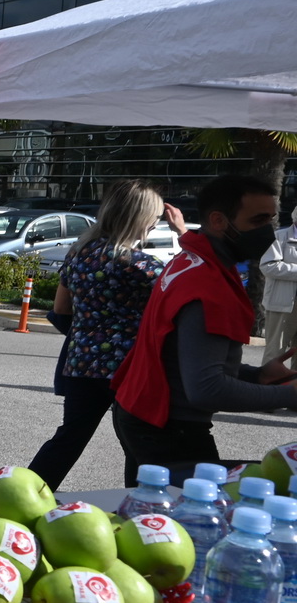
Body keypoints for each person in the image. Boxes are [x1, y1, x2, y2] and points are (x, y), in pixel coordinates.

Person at [112, 174, 297, 484]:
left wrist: (258, 376)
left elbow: (188, 357)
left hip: (142, 411)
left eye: (271, 219)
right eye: (258, 219)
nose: (267, 230)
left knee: (147, 512)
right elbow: (206, 388)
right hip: (168, 426)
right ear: (218, 220)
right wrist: (287, 396)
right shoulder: (208, 285)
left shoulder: (192, 260)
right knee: (188, 521)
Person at [26, 181, 184, 489]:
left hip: (82, 363)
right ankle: (138, 510)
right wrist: (183, 234)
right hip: (128, 369)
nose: (154, 224)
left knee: (69, 437)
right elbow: (182, 306)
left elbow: (61, 310)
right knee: (136, 444)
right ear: (140, 218)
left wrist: (90, 336)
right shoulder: (142, 266)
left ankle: (24, 493)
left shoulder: (79, 254)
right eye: (153, 217)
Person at [261, 214, 297, 364]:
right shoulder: (279, 237)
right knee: (275, 353)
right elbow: (267, 266)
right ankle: (269, 386)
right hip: (282, 305)